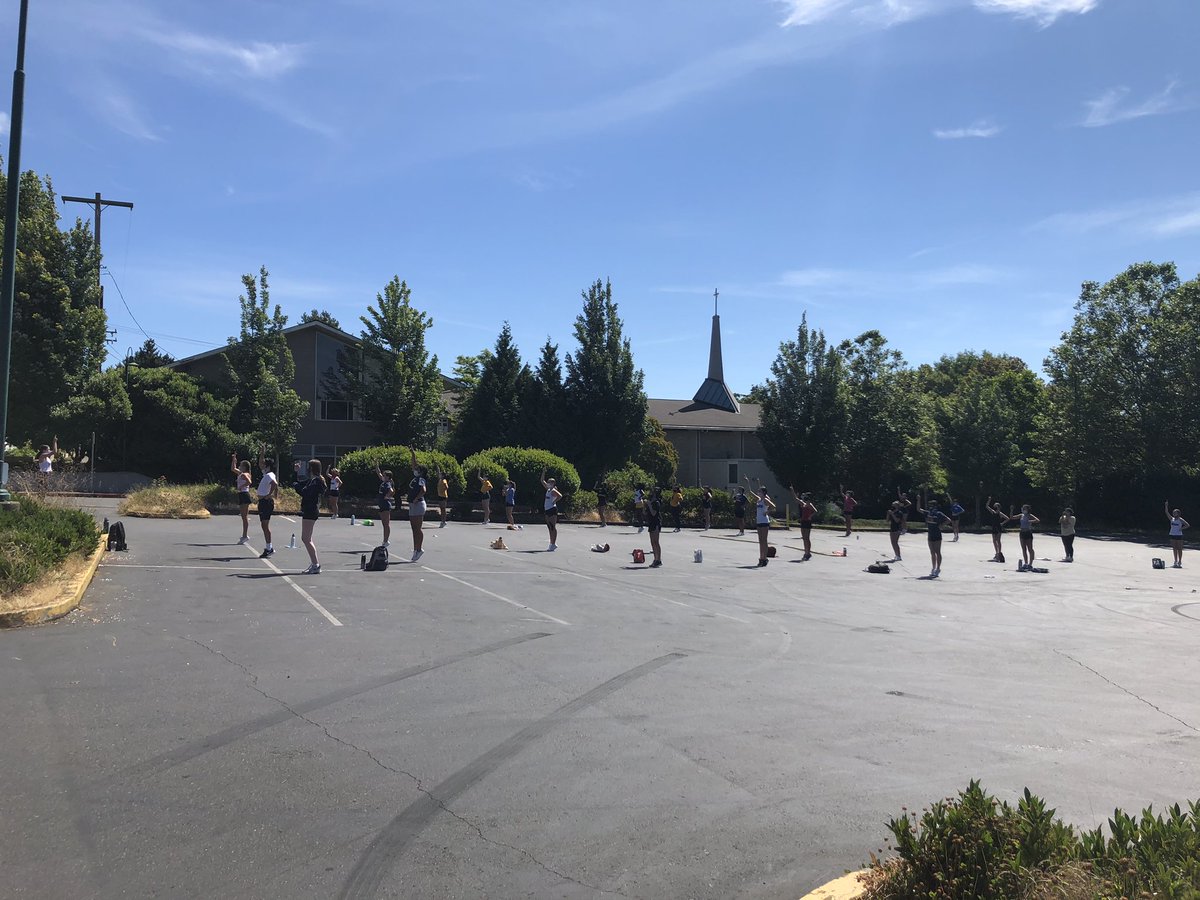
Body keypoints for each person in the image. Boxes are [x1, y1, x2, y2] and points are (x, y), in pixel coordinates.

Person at [292, 459, 326, 574]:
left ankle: (316, 564)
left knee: (306, 538)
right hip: (309, 510)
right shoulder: (312, 480)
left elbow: (304, 492)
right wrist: (296, 472)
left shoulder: (316, 482)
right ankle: (314, 563)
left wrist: (297, 486)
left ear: (311, 468)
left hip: (311, 511)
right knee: (307, 538)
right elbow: (299, 483)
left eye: (308, 467)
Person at [912, 494, 950, 578]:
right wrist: (918, 500)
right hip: (930, 534)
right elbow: (918, 509)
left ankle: (938, 568)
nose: (930, 507)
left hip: (937, 534)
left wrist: (941, 525)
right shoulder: (928, 513)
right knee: (932, 552)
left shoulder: (939, 513)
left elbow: (948, 520)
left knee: (937, 552)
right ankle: (933, 568)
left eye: (931, 505)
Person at [256, 446, 279, 557]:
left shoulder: (270, 475)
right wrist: (262, 453)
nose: (262, 465)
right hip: (262, 502)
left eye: (265, 464)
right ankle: (269, 547)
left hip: (266, 502)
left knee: (265, 525)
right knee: (263, 525)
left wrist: (269, 495)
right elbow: (260, 463)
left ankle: (269, 548)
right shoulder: (266, 474)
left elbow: (274, 484)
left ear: (268, 466)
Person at [746, 480, 776, 567]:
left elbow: (773, 506)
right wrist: (747, 482)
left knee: (764, 540)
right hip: (759, 521)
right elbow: (751, 492)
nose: (758, 492)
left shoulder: (765, 500)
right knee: (760, 540)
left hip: (764, 522)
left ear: (763, 492)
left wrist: (767, 512)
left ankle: (764, 558)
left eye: (760, 491)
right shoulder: (759, 500)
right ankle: (761, 557)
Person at [407, 449, 427, 562]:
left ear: (421, 472)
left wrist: (416, 498)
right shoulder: (416, 477)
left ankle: (419, 549)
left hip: (418, 504)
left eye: (418, 470)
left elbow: (423, 490)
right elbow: (413, 465)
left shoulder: (421, 479)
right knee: (413, 528)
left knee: (417, 528)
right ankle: (416, 550)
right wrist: (413, 454)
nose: (415, 470)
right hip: (412, 504)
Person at [230, 452, 253, 544]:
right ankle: (244, 535)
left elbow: (249, 482)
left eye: (241, 465)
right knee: (243, 516)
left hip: (244, 494)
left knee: (244, 517)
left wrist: (241, 486)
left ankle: (245, 535)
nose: (239, 466)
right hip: (241, 494)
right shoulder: (241, 473)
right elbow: (233, 469)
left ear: (245, 467)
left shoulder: (245, 474)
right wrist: (234, 460)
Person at [790, 486, 816, 561]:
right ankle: (805, 552)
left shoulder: (810, 504)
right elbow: (796, 499)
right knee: (804, 538)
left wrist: (810, 516)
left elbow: (815, 511)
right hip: (803, 521)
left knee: (807, 538)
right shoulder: (803, 504)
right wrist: (792, 490)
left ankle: (808, 552)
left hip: (808, 522)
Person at [541, 468, 562, 551]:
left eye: (550, 482)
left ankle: (553, 543)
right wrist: (543, 472)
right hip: (547, 509)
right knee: (549, 526)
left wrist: (554, 501)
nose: (548, 483)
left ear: (553, 483)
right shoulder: (548, 489)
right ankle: (551, 542)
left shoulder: (553, 490)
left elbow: (560, 496)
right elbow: (542, 480)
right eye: (548, 482)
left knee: (553, 526)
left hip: (552, 509)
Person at [375, 461, 395, 547]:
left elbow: (391, 491)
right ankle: (384, 540)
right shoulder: (384, 481)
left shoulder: (388, 483)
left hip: (385, 505)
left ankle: (386, 540)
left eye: (384, 475)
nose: (382, 476)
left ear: (388, 477)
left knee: (386, 524)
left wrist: (387, 496)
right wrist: (376, 465)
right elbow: (378, 473)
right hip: (381, 504)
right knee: (384, 524)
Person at [1165, 501, 1190, 568]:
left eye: (1175, 512)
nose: (1174, 513)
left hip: (1179, 535)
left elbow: (1187, 525)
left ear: (1178, 513)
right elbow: (1167, 513)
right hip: (1172, 534)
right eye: (1173, 512)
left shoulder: (1180, 519)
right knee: (1174, 548)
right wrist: (1166, 506)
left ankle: (1179, 561)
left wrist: (1181, 528)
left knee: (1179, 549)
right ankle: (1175, 561)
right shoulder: (1172, 519)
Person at [1017, 504, 1040, 571]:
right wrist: (1011, 510)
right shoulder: (1021, 515)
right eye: (1023, 508)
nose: (1023, 510)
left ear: (1027, 510)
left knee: (1030, 548)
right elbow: (1012, 517)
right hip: (1022, 532)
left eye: (1025, 509)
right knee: (1023, 548)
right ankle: (1026, 563)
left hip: (1028, 532)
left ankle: (1030, 563)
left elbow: (1037, 520)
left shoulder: (1029, 515)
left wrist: (1030, 521)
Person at [646, 487, 664, 567]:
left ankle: (658, 559)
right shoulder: (650, 501)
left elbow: (654, 513)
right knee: (652, 542)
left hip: (656, 522)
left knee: (656, 542)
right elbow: (646, 513)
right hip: (650, 522)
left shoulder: (656, 502)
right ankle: (655, 558)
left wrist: (649, 505)